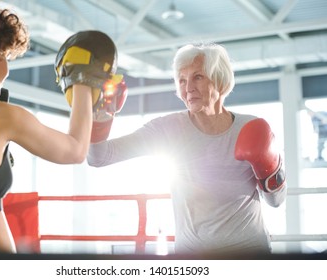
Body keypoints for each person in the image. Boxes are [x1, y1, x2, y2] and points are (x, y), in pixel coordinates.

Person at [0, 1, 117, 254]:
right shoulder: (1, 117)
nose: (7, 70)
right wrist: (82, 81)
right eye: (5, 57)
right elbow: (75, 151)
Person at [87, 43, 287, 256]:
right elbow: (99, 158)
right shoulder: (167, 130)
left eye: (198, 77)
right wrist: (100, 116)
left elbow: (276, 201)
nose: (188, 87)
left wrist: (269, 165)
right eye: (182, 80)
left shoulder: (250, 128)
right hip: (193, 258)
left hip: (250, 255)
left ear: (219, 80)